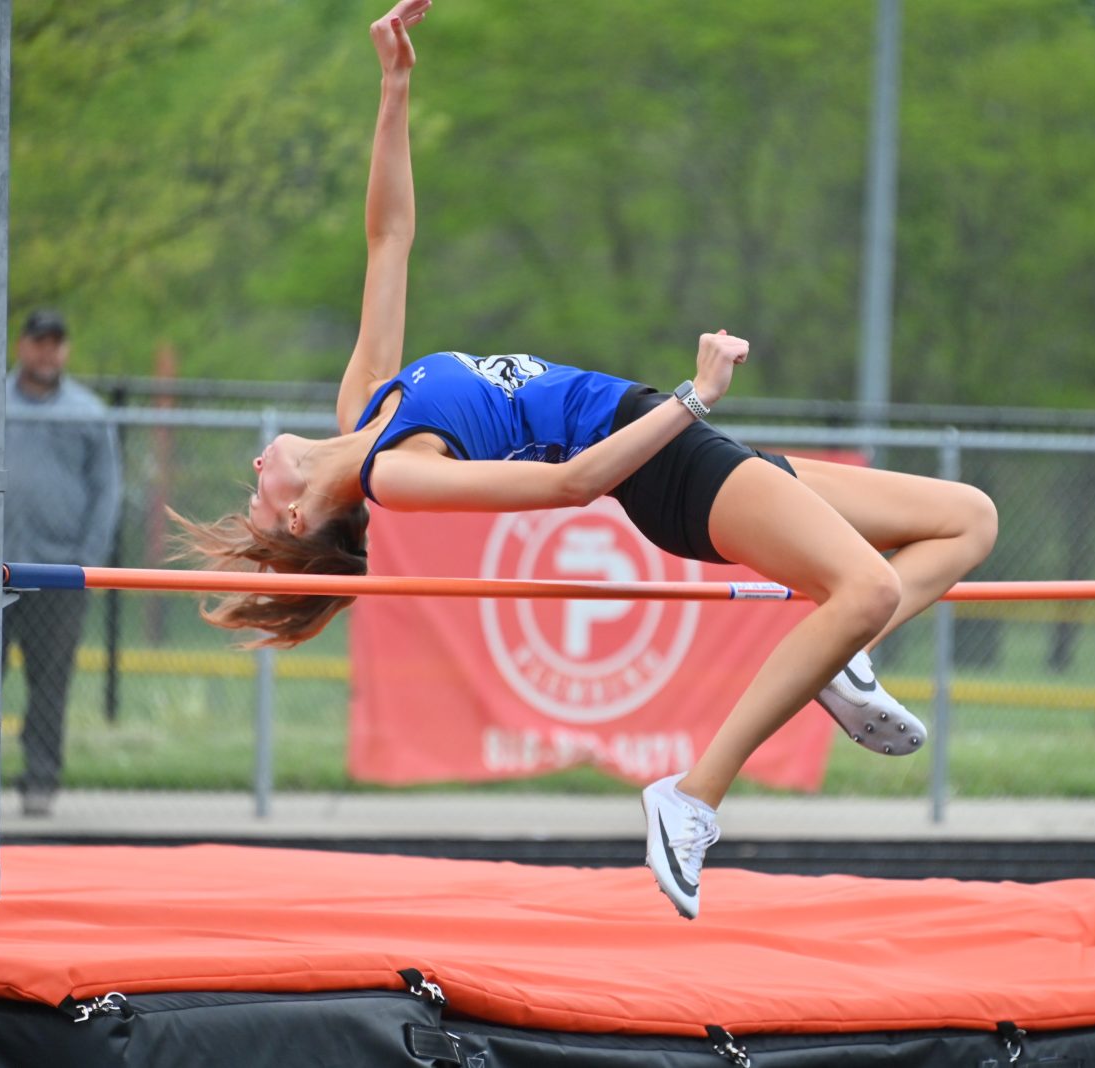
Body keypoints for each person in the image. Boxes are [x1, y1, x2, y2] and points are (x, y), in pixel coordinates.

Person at [174, 1, 997, 918]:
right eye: (259, 497)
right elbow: (573, 483)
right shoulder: (397, 473)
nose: (255, 469)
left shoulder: (365, 400)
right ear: (301, 517)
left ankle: (843, 661)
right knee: (867, 588)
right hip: (661, 464)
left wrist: (394, 85)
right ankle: (693, 797)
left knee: (967, 520)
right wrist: (693, 399)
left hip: (672, 440)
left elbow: (388, 237)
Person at [0, 309, 122, 817]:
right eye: (39, 341)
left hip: (57, 574)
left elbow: (106, 491)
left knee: (50, 683)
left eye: (56, 342)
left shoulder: (87, 412)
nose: (47, 352)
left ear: (65, 349)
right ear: (22, 345)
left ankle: (39, 783)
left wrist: (87, 561)